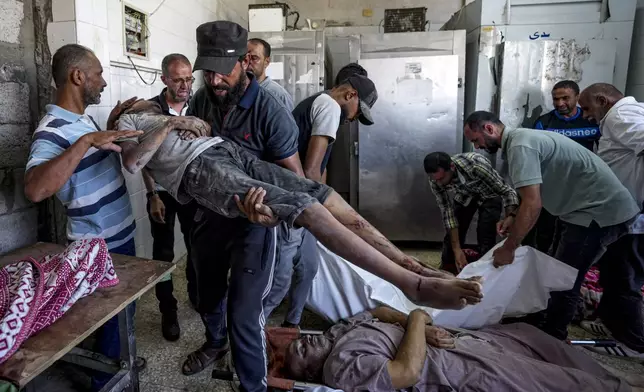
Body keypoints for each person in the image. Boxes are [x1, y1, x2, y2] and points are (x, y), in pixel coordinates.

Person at [181, 21, 458, 391]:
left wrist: (274, 217)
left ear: (244, 62)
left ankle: (253, 385)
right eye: (207, 71)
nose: (214, 80)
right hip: (213, 217)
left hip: (257, 222)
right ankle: (215, 344)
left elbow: (301, 182)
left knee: (246, 314)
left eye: (222, 71)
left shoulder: (269, 111)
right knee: (206, 295)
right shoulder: (202, 100)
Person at [462, 110, 642, 350]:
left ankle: (552, 341)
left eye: (476, 140)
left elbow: (533, 204)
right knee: (555, 270)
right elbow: (531, 191)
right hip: (586, 211)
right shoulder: (522, 140)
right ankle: (543, 324)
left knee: (564, 278)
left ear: (489, 129)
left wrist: (509, 247)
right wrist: (513, 215)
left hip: (597, 213)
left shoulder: (520, 146)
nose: (477, 146)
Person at [23, 43, 145, 391]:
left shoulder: (80, 121)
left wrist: (102, 130)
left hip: (119, 235)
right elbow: (34, 189)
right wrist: (87, 140)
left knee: (124, 315)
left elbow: (86, 162)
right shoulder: (52, 129)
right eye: (98, 74)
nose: (103, 82)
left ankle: (119, 364)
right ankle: (105, 381)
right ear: (78, 76)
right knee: (110, 322)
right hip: (98, 245)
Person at [262, 73, 380, 329]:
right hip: (292, 203)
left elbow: (320, 169)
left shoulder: (319, 102)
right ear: (350, 95)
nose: (353, 119)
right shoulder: (329, 107)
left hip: (303, 201)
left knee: (308, 267)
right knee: (279, 280)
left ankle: (291, 326)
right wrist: (330, 214)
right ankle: (245, 332)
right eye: (357, 113)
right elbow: (312, 170)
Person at [283, 307, 632, 392]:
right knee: (560, 382)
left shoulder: (339, 331)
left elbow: (378, 312)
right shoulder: (340, 368)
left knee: (531, 336)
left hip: (460, 339)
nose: (303, 342)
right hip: (459, 367)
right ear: (313, 373)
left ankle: (610, 377)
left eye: (297, 342)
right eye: (300, 353)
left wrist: (411, 323)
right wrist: (419, 321)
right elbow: (406, 373)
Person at [575, 83, 644, 360]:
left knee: (623, 280)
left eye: (588, 108)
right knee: (611, 270)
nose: (586, 116)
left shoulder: (618, 116)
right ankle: (609, 321)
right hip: (622, 216)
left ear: (603, 100)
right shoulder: (626, 115)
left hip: (633, 219)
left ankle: (634, 343)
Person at [144, 53, 198, 342]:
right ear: (164, 79)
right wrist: (152, 194)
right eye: (178, 79)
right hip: (162, 193)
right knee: (162, 255)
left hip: (190, 192)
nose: (185, 85)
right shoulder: (151, 111)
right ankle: (168, 310)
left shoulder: (198, 105)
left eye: (188, 78)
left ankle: (195, 294)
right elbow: (145, 157)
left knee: (195, 246)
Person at [527, 80, 601, 253]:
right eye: (556, 99)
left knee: (574, 230)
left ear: (577, 97)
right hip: (552, 185)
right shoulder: (544, 123)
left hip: (582, 186)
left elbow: (606, 149)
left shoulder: (591, 120)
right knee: (546, 229)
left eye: (565, 98)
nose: (560, 103)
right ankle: (541, 263)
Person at [424, 151, 517, 273]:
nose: (439, 183)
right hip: (465, 194)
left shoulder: (476, 166)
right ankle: (448, 271)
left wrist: (509, 217)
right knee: (452, 237)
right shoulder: (435, 181)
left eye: (442, 178)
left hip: (489, 194)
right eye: (435, 180)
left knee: (486, 236)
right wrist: (457, 250)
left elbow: (507, 192)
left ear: (451, 167)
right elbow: (448, 213)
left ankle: (486, 273)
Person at [247, 38, 294, 111]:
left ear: (266, 62)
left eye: (254, 58)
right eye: (244, 58)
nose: (248, 63)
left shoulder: (279, 95)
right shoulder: (238, 91)